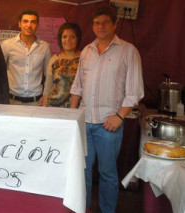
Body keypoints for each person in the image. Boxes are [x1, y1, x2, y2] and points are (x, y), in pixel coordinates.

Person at [70, 4, 144, 213]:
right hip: (84, 122)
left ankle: (107, 211)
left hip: (108, 125)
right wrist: (72, 116)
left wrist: (120, 117)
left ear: (114, 24)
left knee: (107, 172)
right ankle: (80, 209)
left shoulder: (129, 51)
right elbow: (77, 86)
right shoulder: (87, 51)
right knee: (82, 171)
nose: (100, 26)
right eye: (96, 23)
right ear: (92, 26)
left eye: (105, 22)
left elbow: (134, 91)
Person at [1, 9, 51, 106]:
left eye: (33, 22)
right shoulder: (7, 45)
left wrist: (45, 97)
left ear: (37, 25)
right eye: (25, 21)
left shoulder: (45, 47)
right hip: (12, 102)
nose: (29, 25)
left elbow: (48, 76)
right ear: (19, 24)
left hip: (36, 102)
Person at [42, 23, 81, 107]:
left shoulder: (84, 58)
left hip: (77, 109)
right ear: (60, 39)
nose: (68, 40)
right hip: (54, 108)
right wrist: (44, 110)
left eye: (72, 37)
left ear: (78, 39)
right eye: (64, 37)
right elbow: (47, 88)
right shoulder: (54, 60)